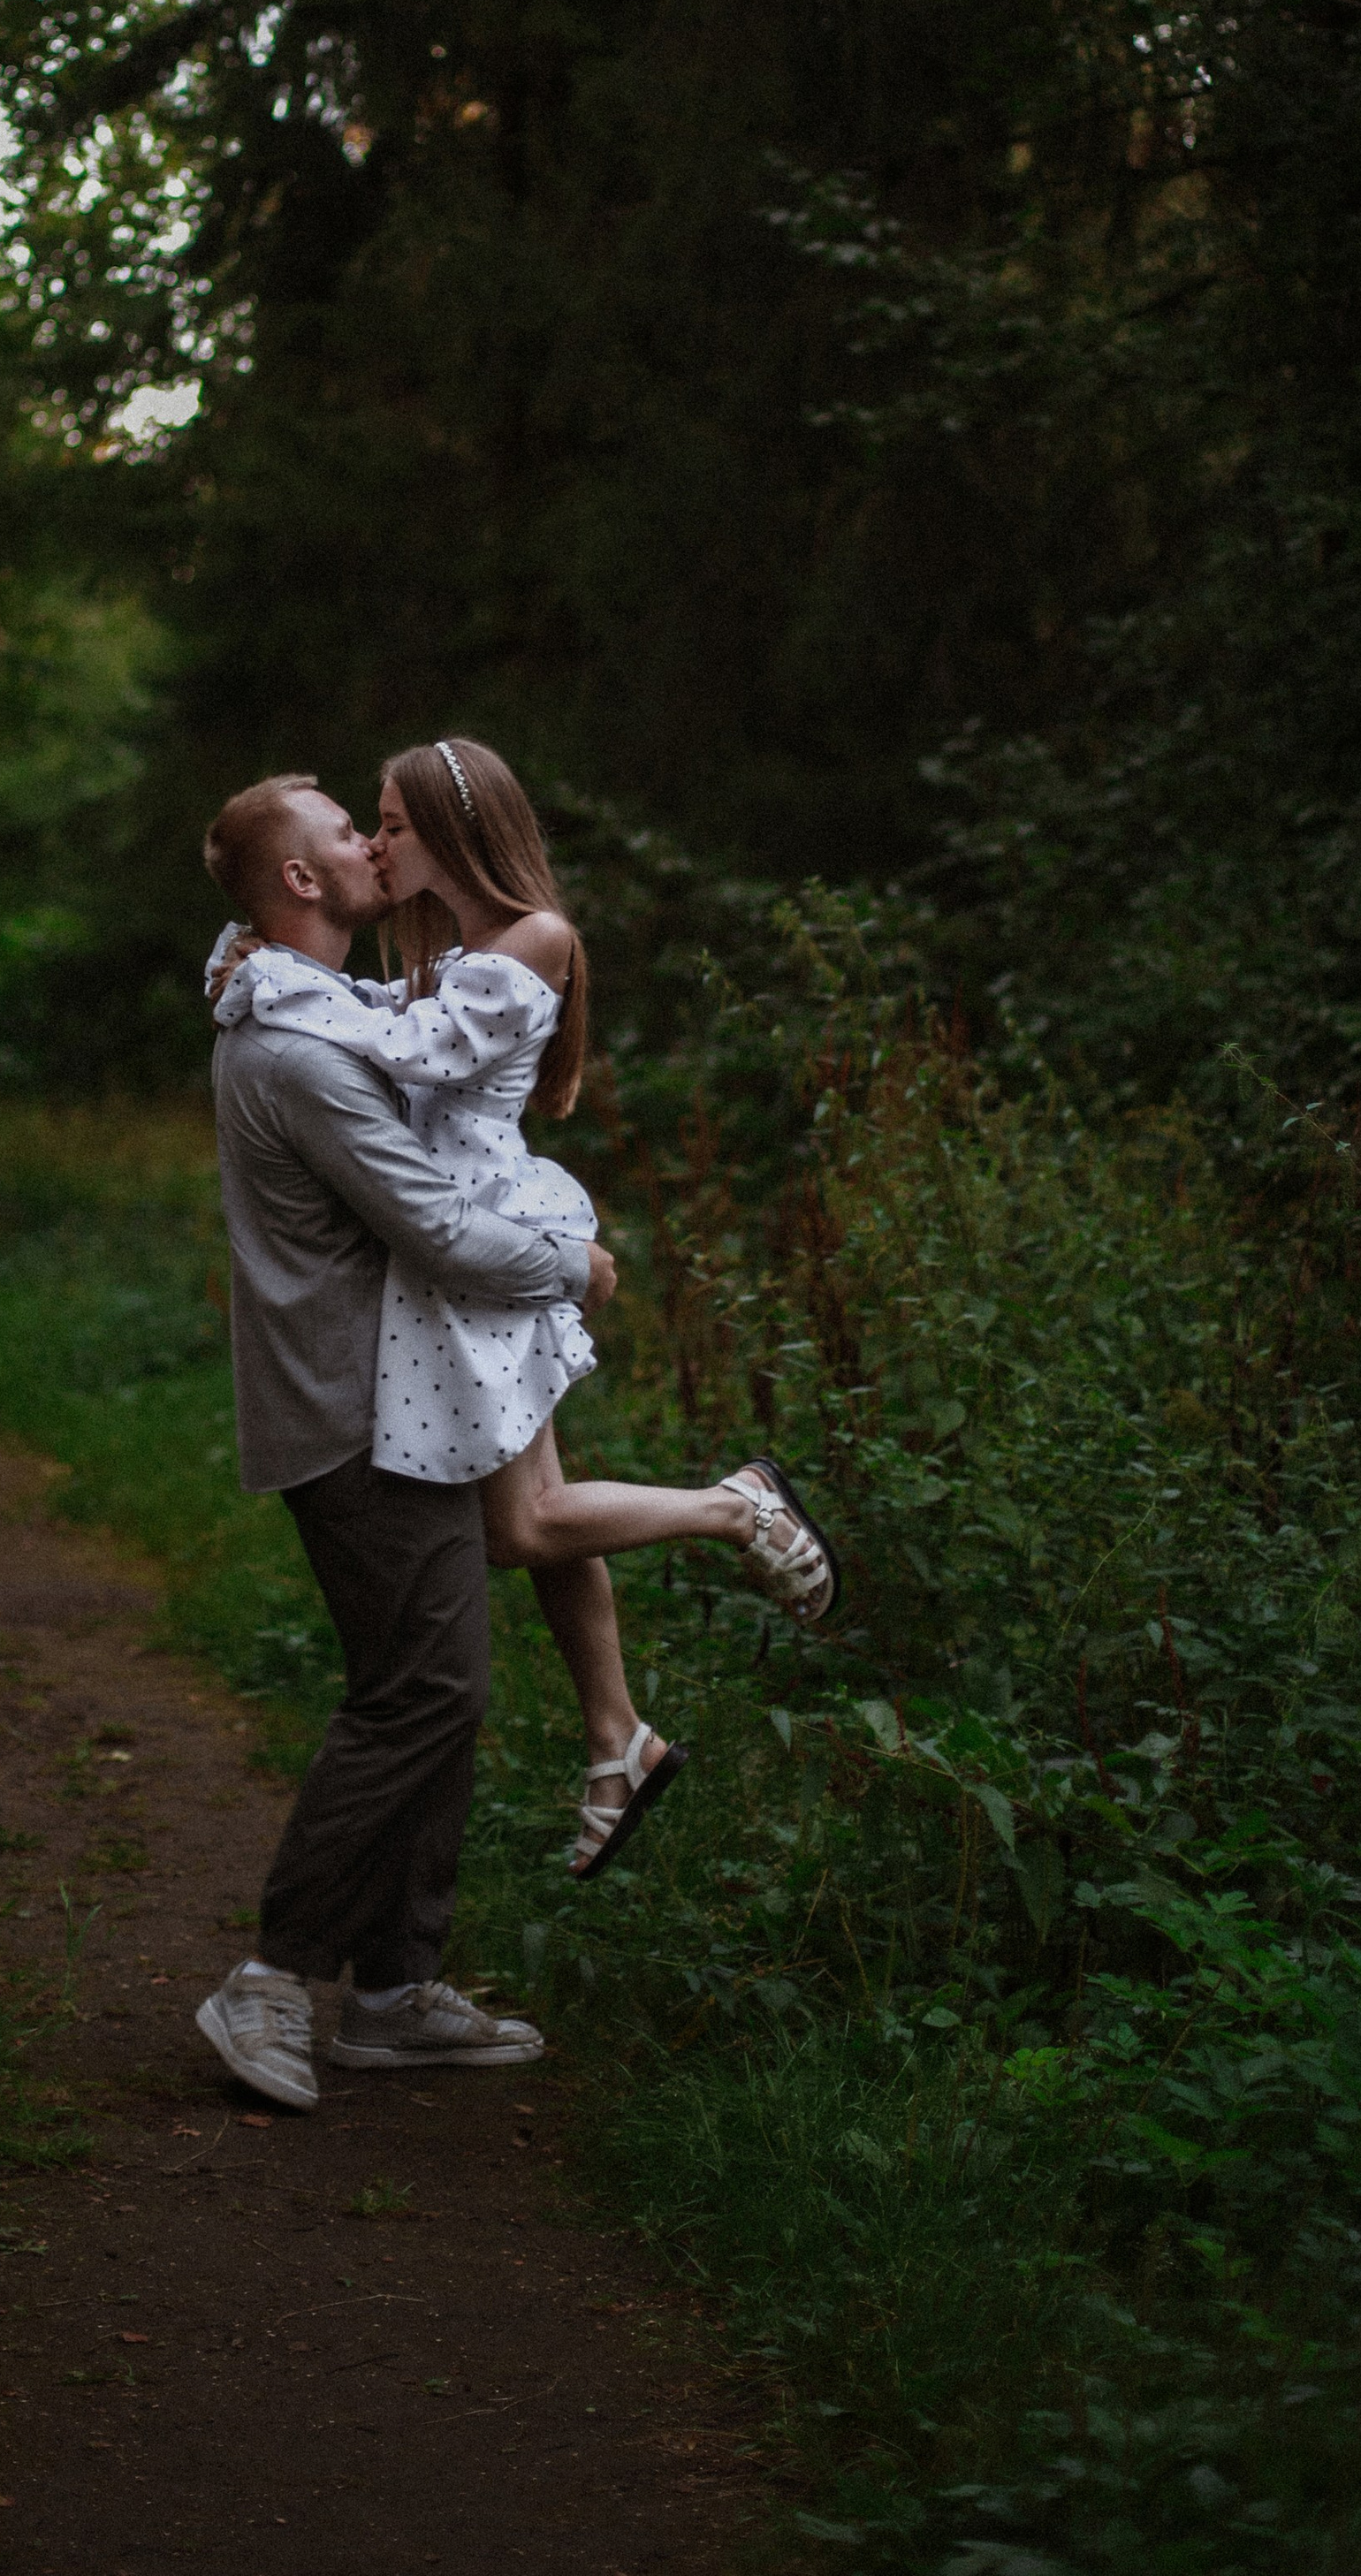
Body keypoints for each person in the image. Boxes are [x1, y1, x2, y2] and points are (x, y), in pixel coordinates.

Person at [209, 734, 839, 1883]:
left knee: (525, 1524)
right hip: (463, 1261)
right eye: (366, 826)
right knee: (530, 1519)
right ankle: (617, 1740)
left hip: (492, 1246)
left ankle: (736, 1510)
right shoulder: (447, 953)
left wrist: (270, 985)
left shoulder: (533, 939)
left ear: (450, 829)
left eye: (389, 822)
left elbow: (410, 1051)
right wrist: (259, 963)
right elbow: (376, 1022)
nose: (375, 842)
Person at [191, 771, 614, 2114]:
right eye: (345, 834)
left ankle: (390, 1991)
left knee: (436, 1690)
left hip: (382, 1397)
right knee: (422, 1694)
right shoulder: (302, 1053)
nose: (374, 844)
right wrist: (577, 1262)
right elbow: (435, 1224)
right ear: (303, 884)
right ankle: (271, 1979)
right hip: (353, 1416)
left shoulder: (308, 1006)